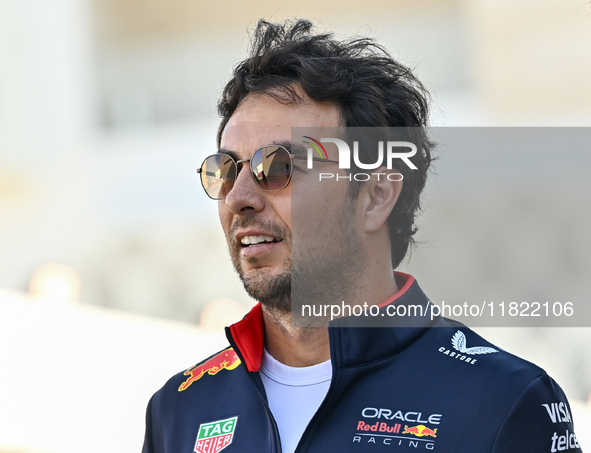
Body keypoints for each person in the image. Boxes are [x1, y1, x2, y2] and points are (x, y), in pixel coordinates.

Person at [142, 19, 582, 453]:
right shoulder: (181, 410)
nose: (238, 197)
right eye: (225, 170)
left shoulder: (502, 403)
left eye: (278, 166)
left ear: (375, 195)